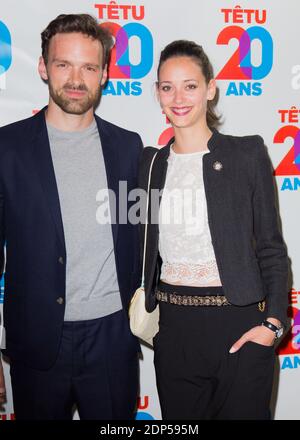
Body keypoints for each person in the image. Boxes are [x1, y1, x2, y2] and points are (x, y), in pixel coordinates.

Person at [0, 14, 143, 420]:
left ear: (104, 74)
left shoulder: (129, 147)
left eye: (89, 67)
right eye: (64, 64)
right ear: (44, 67)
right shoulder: (7, 148)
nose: (76, 79)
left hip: (113, 339)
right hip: (38, 342)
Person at [139, 40, 288, 420]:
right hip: (175, 334)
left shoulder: (246, 154)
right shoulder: (150, 166)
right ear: (157, 93)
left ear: (210, 88)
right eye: (167, 87)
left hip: (240, 327)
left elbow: (271, 249)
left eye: (190, 85)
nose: (178, 97)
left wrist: (272, 324)